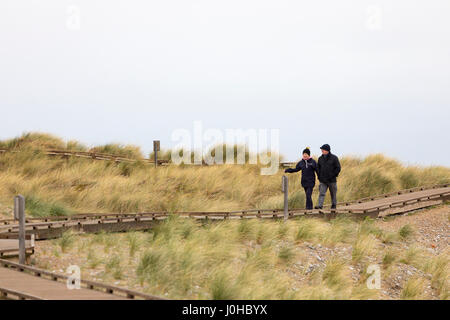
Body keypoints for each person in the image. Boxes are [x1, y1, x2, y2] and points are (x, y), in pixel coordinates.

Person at [315, 144, 341, 210]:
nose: (322, 151)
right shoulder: (320, 158)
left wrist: (333, 175)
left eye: (323, 149)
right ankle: (320, 206)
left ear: (327, 150)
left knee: (333, 194)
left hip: (332, 180)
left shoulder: (334, 158)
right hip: (323, 180)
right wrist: (319, 177)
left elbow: (338, 168)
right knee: (321, 193)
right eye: (321, 149)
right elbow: (318, 169)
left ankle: (334, 205)